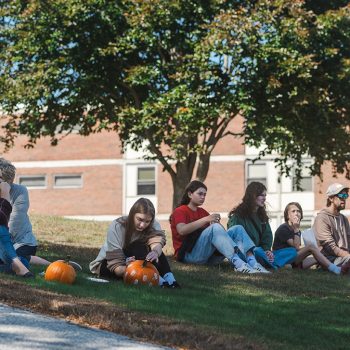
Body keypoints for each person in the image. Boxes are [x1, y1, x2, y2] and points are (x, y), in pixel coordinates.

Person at [170, 180, 270, 274]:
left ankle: (253, 263)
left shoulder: (203, 212)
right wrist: (206, 220)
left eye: (205, 195)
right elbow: (182, 230)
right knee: (215, 228)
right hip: (188, 256)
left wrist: (215, 224)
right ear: (190, 194)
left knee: (237, 229)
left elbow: (221, 235)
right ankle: (238, 264)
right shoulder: (180, 211)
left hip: (208, 257)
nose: (203, 197)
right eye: (200, 194)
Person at [90, 197, 180, 288]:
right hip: (109, 264)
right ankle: (160, 282)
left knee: (156, 250)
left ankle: (171, 280)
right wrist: (127, 266)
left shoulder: (153, 224)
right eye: (139, 219)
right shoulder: (117, 226)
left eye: (147, 221)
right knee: (138, 246)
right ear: (132, 214)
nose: (142, 225)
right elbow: (117, 268)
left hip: (136, 261)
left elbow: (157, 242)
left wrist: (155, 252)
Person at [228, 181, 297, 270]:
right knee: (257, 251)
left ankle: (268, 262)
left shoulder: (262, 217)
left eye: (265, 195)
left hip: (261, 252)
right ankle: (272, 264)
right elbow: (235, 238)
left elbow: (267, 237)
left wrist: (267, 251)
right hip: (247, 253)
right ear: (253, 196)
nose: (264, 198)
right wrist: (256, 250)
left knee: (292, 252)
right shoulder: (238, 216)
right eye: (261, 195)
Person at [273, 202, 350, 275]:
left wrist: (313, 250)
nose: (296, 213)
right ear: (287, 215)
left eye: (298, 211)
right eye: (293, 211)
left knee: (318, 256)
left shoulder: (296, 230)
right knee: (311, 247)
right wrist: (297, 230)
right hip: (282, 258)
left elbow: (296, 249)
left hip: (291, 259)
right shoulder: (284, 228)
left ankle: (334, 268)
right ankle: (336, 269)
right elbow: (295, 247)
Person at [0, 171, 34, 277]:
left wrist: (52, 264)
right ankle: (18, 265)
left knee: (23, 261)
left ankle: (18, 264)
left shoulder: (17, 189)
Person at [313, 183, 350, 267]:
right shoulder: (322, 218)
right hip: (329, 259)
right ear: (331, 198)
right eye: (341, 195)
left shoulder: (344, 219)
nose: (344, 198)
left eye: (345, 195)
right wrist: (347, 256)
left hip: (344, 257)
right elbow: (330, 247)